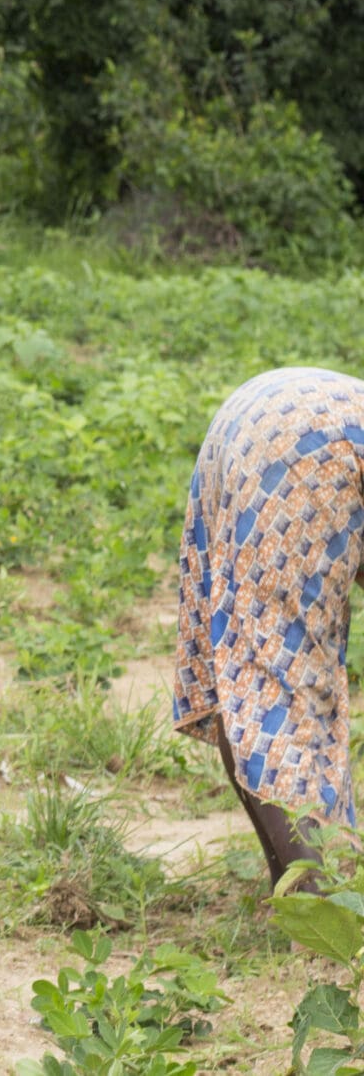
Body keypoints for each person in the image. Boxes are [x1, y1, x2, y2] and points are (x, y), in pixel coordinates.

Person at [173, 367, 364, 885]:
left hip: (248, 420)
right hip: (309, 450)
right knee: (284, 689)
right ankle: (314, 907)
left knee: (242, 680)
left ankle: (290, 888)